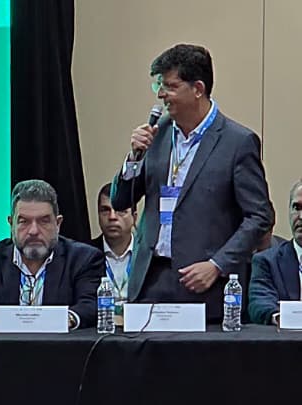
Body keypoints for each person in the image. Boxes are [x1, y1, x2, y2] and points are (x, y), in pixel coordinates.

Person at [112, 43, 272, 320]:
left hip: (204, 283)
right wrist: (133, 158)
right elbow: (121, 200)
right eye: (158, 85)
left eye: (170, 86)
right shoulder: (157, 134)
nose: (161, 94)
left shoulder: (237, 142)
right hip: (150, 278)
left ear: (198, 89)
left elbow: (260, 216)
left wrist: (217, 264)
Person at [0, 179, 103, 328]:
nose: (33, 231)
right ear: (11, 224)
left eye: (44, 221)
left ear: (58, 224)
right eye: (24, 221)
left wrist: (64, 320)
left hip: (59, 343)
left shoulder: (83, 259)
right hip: (2, 343)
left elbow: (90, 305)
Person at [250, 179, 302, 324]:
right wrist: (281, 317)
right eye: (296, 208)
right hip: (285, 335)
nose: (300, 217)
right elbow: (259, 304)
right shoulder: (267, 261)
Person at [93, 182, 135, 309]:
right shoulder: (85, 255)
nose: (112, 217)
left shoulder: (148, 256)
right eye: (105, 210)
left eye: (120, 210)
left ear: (134, 217)